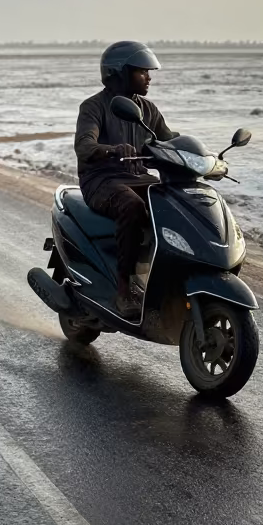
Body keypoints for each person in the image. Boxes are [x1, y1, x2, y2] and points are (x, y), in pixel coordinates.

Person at [74, 41, 177, 318]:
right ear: (119, 73)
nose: (149, 77)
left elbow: (168, 140)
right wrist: (111, 150)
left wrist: (201, 154)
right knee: (132, 206)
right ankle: (124, 288)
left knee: (178, 201)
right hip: (101, 181)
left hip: (137, 178)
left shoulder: (148, 109)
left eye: (148, 72)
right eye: (142, 71)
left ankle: (166, 274)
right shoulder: (93, 107)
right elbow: (84, 145)